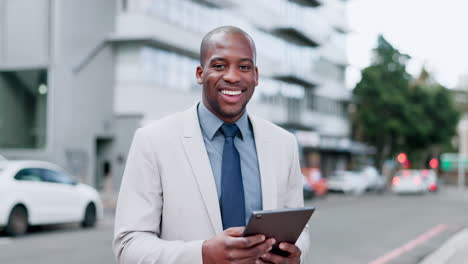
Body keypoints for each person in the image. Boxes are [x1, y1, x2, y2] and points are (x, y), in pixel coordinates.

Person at [113, 26, 310, 264]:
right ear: (199, 73)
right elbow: (129, 245)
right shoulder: (152, 141)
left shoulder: (283, 144)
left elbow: (298, 230)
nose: (233, 77)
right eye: (219, 66)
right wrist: (203, 254)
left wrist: (295, 254)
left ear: (256, 76)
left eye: (244, 67)